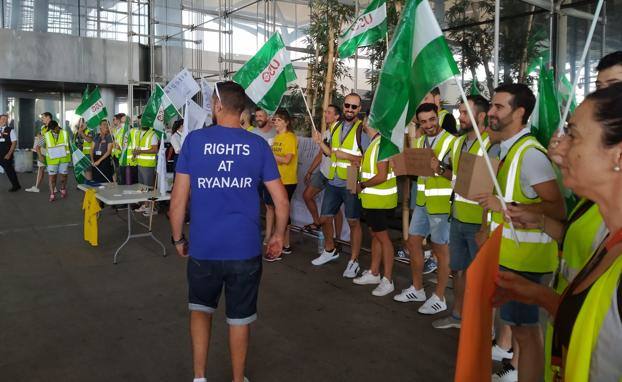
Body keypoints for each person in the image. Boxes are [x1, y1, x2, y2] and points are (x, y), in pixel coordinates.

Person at [494, 83, 622, 382]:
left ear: (618, 156)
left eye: (573, 136)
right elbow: (597, 323)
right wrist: (539, 295)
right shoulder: (609, 241)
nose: (558, 147)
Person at [169, 81, 289, 382]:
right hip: (244, 250)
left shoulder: (194, 142)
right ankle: (238, 379)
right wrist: (277, 237)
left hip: (204, 248)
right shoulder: (258, 145)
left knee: (200, 310)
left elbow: (177, 202)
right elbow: (281, 199)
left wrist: (178, 239)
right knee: (239, 319)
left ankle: (199, 377)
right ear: (243, 109)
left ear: (217, 105)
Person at [472, 83, 565, 382]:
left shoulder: (531, 156)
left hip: (527, 262)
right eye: (492, 106)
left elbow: (558, 209)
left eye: (499, 107)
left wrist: (505, 205)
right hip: (509, 256)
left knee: (526, 333)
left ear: (520, 112)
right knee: (518, 327)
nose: (491, 113)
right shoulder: (507, 150)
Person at [429, 95, 491, 328]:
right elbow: (452, 176)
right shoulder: (457, 143)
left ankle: (481, 325)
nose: (460, 117)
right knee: (458, 270)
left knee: (480, 277)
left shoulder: (490, 144)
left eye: (465, 113)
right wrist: (439, 169)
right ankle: (458, 316)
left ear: (481, 116)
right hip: (457, 216)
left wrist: (485, 227)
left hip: (478, 222)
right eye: (459, 112)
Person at [393, 103, 455, 315]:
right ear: (418, 122)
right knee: (412, 242)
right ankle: (418, 289)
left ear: (438, 117)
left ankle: (439, 297)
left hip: (441, 205)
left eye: (432, 119)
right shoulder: (419, 141)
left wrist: (439, 168)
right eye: (424, 121)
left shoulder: (452, 142)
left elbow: (457, 177)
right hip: (421, 202)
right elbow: (414, 171)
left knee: (440, 251)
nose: (429, 125)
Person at [311, 93, 365, 278]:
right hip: (333, 180)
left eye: (354, 107)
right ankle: (330, 249)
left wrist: (347, 156)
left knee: (353, 222)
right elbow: (331, 153)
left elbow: (368, 158)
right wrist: (320, 143)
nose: (350, 109)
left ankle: (354, 261)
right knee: (325, 218)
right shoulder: (335, 127)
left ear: (359, 109)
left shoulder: (362, 129)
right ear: (344, 106)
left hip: (351, 180)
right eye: (347, 105)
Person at [352, 117, 398, 296]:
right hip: (374, 200)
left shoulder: (381, 144)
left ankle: (388, 279)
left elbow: (382, 176)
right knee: (376, 236)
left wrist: (362, 185)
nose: (363, 122)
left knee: (383, 238)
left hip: (381, 201)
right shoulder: (375, 143)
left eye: (367, 119)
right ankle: (374, 272)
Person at [302, 104, 344, 239]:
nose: (326, 114)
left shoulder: (341, 131)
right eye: (325, 112)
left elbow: (333, 154)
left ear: (337, 116)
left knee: (335, 209)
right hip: (323, 172)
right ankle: (317, 222)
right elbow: (321, 154)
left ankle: (337, 239)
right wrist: (309, 171)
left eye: (329, 112)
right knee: (307, 195)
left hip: (336, 174)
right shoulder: (326, 132)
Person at [262, 109, 298, 260]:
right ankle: (276, 241)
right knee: (274, 210)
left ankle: (283, 245)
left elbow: (287, 159)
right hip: (276, 179)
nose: (275, 122)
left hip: (287, 180)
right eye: (275, 119)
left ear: (286, 122)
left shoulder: (290, 137)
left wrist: (271, 155)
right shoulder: (276, 137)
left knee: (282, 212)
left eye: (278, 120)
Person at [248, 108, 277, 243]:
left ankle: (269, 234)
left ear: (267, 117)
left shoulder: (275, 132)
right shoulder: (253, 132)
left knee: (270, 206)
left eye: (261, 116)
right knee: (254, 203)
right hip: (254, 174)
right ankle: (253, 230)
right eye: (257, 115)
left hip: (270, 175)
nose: (258, 118)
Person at [133, 122, 160, 216]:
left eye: (143, 120)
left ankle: (152, 208)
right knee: (142, 187)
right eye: (140, 121)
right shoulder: (140, 133)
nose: (141, 122)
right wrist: (135, 155)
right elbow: (138, 147)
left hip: (148, 164)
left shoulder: (153, 134)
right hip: (140, 163)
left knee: (149, 187)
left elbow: (154, 150)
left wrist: (139, 151)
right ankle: (145, 205)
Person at [44, 120, 71, 202]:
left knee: (64, 176)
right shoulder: (46, 135)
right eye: (51, 129)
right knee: (52, 178)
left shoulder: (65, 133)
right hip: (52, 161)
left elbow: (69, 144)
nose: (53, 131)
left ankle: (63, 188)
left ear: (57, 126)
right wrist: (40, 156)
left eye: (54, 129)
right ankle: (52, 194)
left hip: (64, 159)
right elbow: (38, 145)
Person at [0, 114, 20, 192]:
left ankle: (16, 185)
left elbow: (14, 142)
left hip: (6, 154)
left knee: (9, 170)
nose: (5, 120)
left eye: (6, 119)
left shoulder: (10, 130)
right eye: (3, 119)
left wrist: (9, 154)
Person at [26, 128, 46, 193]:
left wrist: (40, 156)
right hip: (45, 154)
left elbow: (37, 147)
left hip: (43, 154)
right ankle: (54, 188)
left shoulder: (44, 136)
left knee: (41, 170)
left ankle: (36, 187)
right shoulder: (46, 132)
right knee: (44, 170)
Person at [111, 113, 126, 183]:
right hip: (115, 154)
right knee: (116, 173)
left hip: (121, 154)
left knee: (120, 173)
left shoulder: (124, 130)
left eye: (114, 119)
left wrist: (120, 148)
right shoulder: (115, 130)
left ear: (118, 120)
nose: (113, 121)